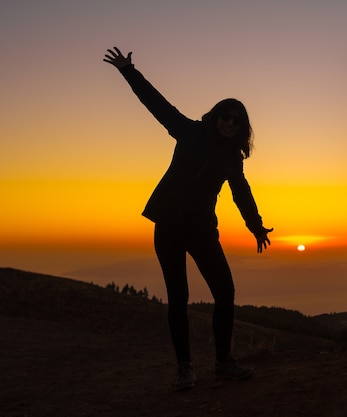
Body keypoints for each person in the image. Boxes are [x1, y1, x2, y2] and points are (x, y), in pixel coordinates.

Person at [103, 47, 273, 390]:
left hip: (201, 231)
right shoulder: (189, 132)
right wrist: (129, 71)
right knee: (177, 297)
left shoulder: (232, 159)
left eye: (236, 120)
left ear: (242, 127)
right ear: (216, 117)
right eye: (225, 116)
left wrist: (255, 225)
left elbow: (242, 193)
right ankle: (185, 368)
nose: (229, 123)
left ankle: (223, 362)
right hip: (167, 227)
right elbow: (158, 105)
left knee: (224, 292)